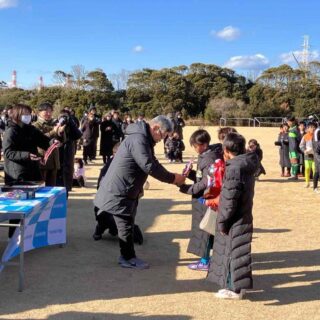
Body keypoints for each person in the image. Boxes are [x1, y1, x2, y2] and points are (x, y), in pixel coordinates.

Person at [94, 115, 186, 269]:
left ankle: (127, 255)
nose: (161, 139)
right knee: (125, 223)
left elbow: (152, 162)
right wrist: (173, 178)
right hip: (120, 188)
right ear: (155, 128)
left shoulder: (143, 139)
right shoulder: (139, 139)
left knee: (126, 222)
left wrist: (172, 177)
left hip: (127, 188)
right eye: (162, 135)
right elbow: (149, 165)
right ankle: (128, 257)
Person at [207, 133, 258, 300]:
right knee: (240, 253)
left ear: (227, 150)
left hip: (235, 218)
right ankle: (238, 287)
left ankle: (234, 288)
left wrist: (222, 222)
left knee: (233, 254)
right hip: (244, 214)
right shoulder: (247, 163)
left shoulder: (234, 168)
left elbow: (229, 200)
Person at [2, 104, 52, 238]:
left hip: (33, 170)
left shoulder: (31, 129)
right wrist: (26, 155)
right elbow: (7, 152)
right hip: (17, 174)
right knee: (19, 207)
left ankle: (29, 235)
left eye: (29, 113)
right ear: (17, 115)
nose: (28, 116)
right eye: (25, 114)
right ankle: (13, 238)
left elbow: (43, 141)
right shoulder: (11, 131)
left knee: (33, 204)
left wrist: (53, 141)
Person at [179, 129, 223, 271]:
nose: (194, 147)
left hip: (205, 199)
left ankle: (205, 261)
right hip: (204, 198)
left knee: (205, 230)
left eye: (195, 145)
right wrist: (189, 173)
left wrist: (187, 188)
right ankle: (208, 259)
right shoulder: (206, 155)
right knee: (206, 229)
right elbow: (202, 177)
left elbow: (206, 182)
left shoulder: (209, 158)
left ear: (203, 145)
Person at [33, 102, 66, 186]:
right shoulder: (35, 125)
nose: (49, 113)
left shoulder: (54, 123)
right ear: (39, 112)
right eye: (46, 111)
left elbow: (63, 140)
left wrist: (61, 133)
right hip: (42, 160)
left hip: (54, 159)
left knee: (52, 187)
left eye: (50, 111)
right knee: (42, 187)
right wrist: (53, 132)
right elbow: (39, 139)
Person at [56, 108, 82, 196]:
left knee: (67, 174)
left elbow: (78, 135)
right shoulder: (55, 123)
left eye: (66, 116)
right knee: (58, 174)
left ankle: (66, 193)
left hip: (68, 152)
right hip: (58, 151)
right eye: (62, 116)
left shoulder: (71, 125)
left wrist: (70, 122)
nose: (64, 118)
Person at [299, 121, 317, 188]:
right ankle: (307, 182)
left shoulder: (317, 136)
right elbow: (301, 145)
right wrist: (304, 150)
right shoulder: (305, 136)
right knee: (307, 168)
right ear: (308, 128)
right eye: (311, 127)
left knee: (315, 169)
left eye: (314, 127)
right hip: (307, 156)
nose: (312, 129)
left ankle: (314, 182)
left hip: (315, 157)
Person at [287, 116, 301, 180]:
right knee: (292, 161)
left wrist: (297, 147)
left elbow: (299, 139)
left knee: (294, 161)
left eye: (289, 121)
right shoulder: (290, 129)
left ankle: (295, 175)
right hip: (290, 148)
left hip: (294, 148)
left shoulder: (296, 129)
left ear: (293, 122)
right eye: (287, 121)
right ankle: (293, 175)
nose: (288, 123)